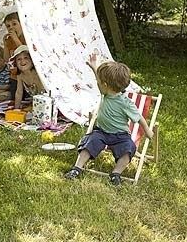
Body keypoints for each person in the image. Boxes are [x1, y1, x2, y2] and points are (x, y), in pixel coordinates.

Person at [65, 54, 154, 186]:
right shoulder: (105, 92)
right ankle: (77, 168)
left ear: (105, 85)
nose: (99, 84)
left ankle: (116, 173)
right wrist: (94, 66)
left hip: (120, 136)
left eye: (101, 82)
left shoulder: (126, 103)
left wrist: (147, 130)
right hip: (101, 132)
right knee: (89, 143)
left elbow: (139, 117)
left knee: (129, 149)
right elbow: (100, 80)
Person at [3, 12, 26, 100]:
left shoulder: (25, 38)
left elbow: (24, 51)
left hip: (26, 76)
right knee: (14, 98)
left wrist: (16, 39)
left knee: (26, 98)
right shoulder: (9, 41)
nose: (11, 27)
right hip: (14, 76)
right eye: (8, 26)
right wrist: (5, 45)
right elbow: (6, 59)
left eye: (14, 24)